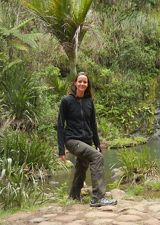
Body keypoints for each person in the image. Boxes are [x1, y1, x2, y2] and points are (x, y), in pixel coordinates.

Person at [57, 71, 117, 207]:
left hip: (87, 140)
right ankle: (98, 198)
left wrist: (98, 145)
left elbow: (93, 125)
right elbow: (60, 125)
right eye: (80, 81)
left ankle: (73, 196)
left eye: (85, 81)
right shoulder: (66, 101)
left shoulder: (89, 101)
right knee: (97, 158)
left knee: (81, 168)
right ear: (75, 83)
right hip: (72, 140)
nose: (82, 83)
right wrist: (61, 150)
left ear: (87, 84)